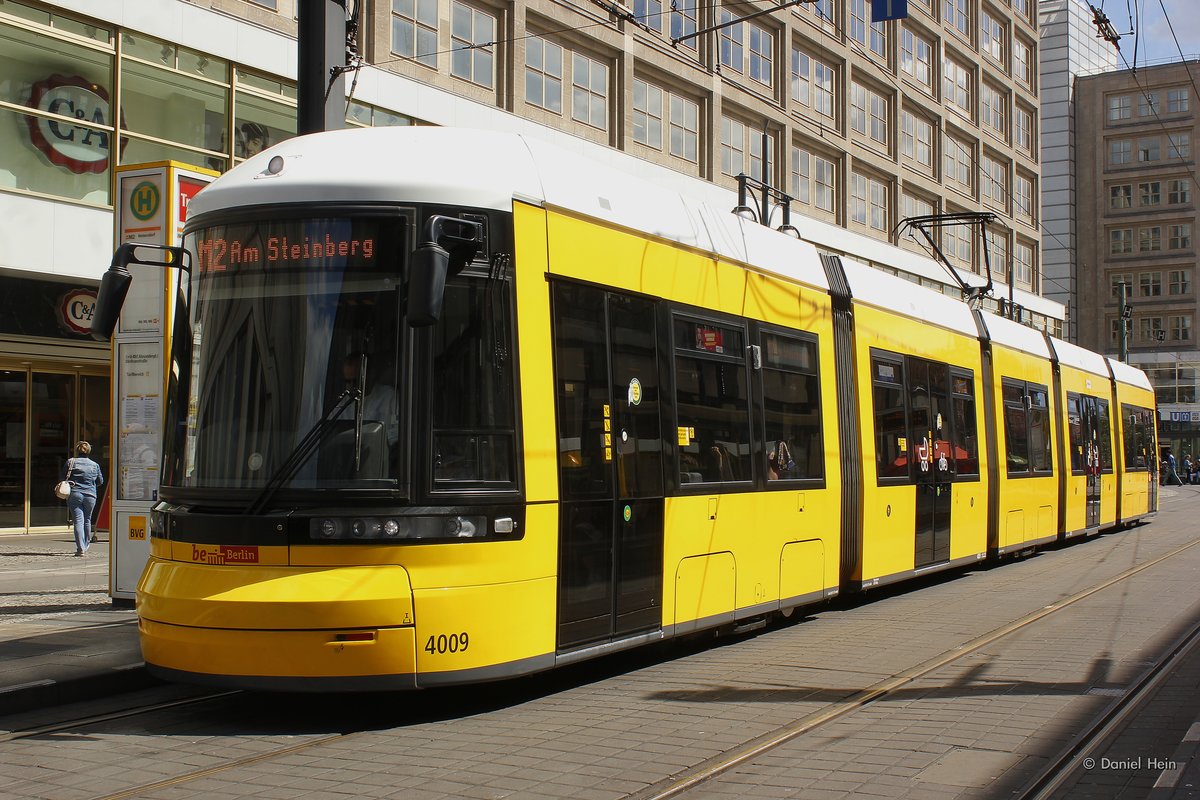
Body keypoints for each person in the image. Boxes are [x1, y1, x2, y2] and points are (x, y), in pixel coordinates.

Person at [341, 353, 398, 448]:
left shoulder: (390, 398)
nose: (351, 386)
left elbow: (397, 432)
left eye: (355, 381)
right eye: (348, 381)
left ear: (370, 375)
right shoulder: (342, 406)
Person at [62, 441, 104, 557]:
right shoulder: (95, 465)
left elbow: (63, 477)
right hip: (90, 495)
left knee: (78, 521)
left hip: (75, 493)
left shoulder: (71, 462)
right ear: (89, 451)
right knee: (87, 520)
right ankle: (86, 544)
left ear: (77, 450)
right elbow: (100, 481)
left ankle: (80, 548)